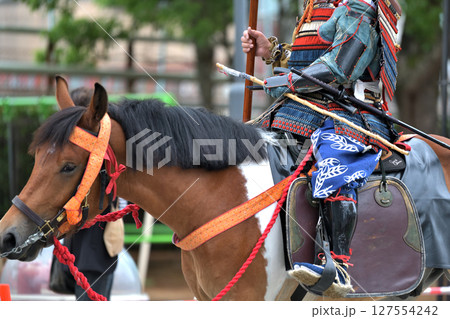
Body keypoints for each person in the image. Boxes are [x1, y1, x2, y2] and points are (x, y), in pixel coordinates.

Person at [241, 0, 401, 297]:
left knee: (335, 158)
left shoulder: (360, 5)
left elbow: (339, 68)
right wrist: (273, 53)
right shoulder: (316, 4)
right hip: (305, 107)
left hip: (351, 112)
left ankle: (337, 266)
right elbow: (313, 57)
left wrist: (286, 81)